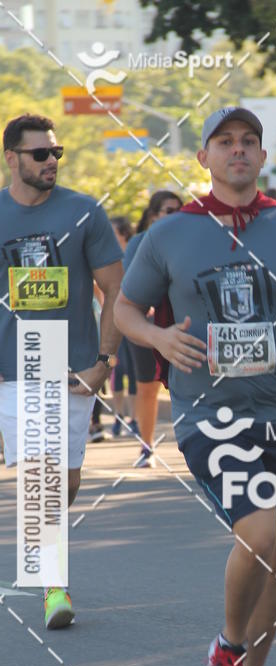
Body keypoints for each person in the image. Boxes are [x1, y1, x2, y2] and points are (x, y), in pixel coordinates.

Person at [114, 107, 276, 666]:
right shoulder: (169, 234)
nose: (238, 150)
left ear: (262, 157)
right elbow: (124, 310)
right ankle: (228, 645)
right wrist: (158, 340)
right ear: (204, 158)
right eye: (224, 142)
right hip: (208, 413)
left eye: (249, 141)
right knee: (259, 530)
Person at [0, 113, 123, 627]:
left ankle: (45, 548)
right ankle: (54, 583)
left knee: (64, 479)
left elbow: (117, 290)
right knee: (41, 476)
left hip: (70, 367)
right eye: (40, 154)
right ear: (12, 158)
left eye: (57, 153)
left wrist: (104, 364)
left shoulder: (82, 211)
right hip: (13, 368)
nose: (51, 161)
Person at [123, 191, 182, 466]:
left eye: (179, 210)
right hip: (146, 327)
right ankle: (146, 447)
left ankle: (194, 443)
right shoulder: (138, 243)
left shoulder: (186, 239)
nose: (176, 215)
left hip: (181, 325)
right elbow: (129, 287)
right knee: (147, 388)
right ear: (153, 215)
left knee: (184, 385)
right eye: (170, 211)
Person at [109, 216, 138, 437]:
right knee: (116, 369)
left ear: (123, 232)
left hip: (135, 318)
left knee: (135, 369)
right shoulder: (108, 257)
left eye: (113, 231)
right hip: (113, 320)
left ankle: (135, 418)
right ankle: (118, 416)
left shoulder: (135, 252)